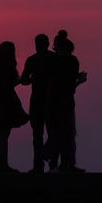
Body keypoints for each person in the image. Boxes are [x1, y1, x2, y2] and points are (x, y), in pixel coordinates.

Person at [43, 30, 87, 173]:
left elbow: (53, 82)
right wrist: (79, 80)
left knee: (59, 133)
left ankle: (60, 161)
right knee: (67, 133)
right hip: (65, 102)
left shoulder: (51, 62)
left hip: (52, 102)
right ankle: (59, 160)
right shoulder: (72, 61)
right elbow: (69, 84)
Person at [21, 34, 59, 173]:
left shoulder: (32, 60)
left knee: (39, 135)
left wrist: (33, 79)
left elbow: (24, 80)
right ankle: (52, 165)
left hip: (39, 100)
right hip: (49, 101)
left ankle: (39, 165)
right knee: (51, 134)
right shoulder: (54, 58)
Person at [0, 41, 29, 173]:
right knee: (2, 135)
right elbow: (7, 86)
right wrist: (21, 80)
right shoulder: (6, 68)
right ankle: (2, 166)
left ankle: (1, 165)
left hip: (0, 102)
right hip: (6, 102)